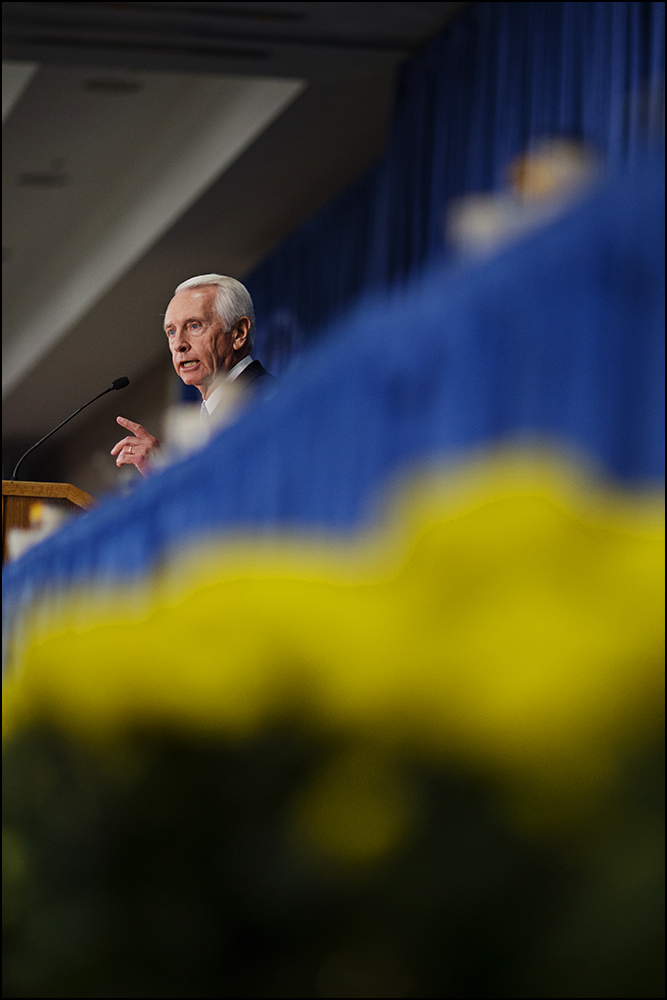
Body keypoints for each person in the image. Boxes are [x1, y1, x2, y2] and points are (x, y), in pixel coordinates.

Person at [111, 274, 273, 476]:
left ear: (238, 333)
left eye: (194, 326)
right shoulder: (204, 419)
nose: (179, 344)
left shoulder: (267, 400)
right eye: (171, 332)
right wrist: (162, 471)